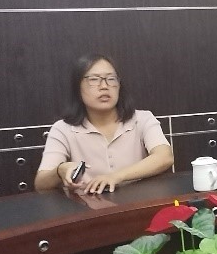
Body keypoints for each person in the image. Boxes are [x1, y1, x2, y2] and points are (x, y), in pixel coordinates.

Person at [35, 54, 174, 194]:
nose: (104, 86)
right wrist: (60, 170)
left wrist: (116, 176)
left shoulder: (142, 119)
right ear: (78, 88)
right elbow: (41, 184)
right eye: (94, 79)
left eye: (111, 79)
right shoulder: (62, 129)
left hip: (139, 203)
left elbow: (165, 157)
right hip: (87, 206)